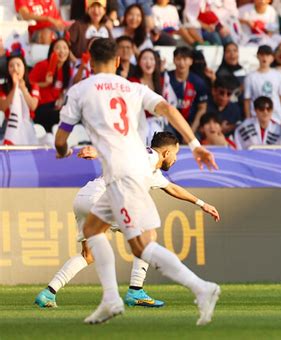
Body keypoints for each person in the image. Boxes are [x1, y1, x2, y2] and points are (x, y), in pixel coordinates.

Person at [54, 38, 220, 325]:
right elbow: (168, 110)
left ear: (89, 62)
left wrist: (64, 151)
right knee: (94, 229)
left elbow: (60, 140)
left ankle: (202, 288)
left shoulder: (80, 90)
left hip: (123, 173)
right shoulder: (134, 88)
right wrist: (195, 144)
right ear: (118, 61)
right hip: (123, 172)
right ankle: (111, 299)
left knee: (142, 246)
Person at [35, 133, 220, 308]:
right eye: (176, 154)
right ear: (167, 152)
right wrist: (97, 152)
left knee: (88, 255)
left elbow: (171, 187)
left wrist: (201, 203)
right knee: (148, 234)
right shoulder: (148, 157)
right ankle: (136, 291)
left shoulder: (152, 170)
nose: (176, 159)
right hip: (103, 198)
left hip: (84, 197)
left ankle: (48, 293)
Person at [29, 38, 72, 133]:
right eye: (58, 48)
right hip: (40, 107)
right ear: (52, 51)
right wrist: (45, 84)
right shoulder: (43, 65)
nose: (62, 51)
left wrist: (60, 100)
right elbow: (28, 84)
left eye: (65, 48)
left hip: (55, 106)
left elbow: (61, 90)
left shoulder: (67, 70)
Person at [0, 53, 40, 145]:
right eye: (11, 66)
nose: (15, 68)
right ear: (8, 70)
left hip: (28, 122)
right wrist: (15, 87)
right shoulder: (2, 88)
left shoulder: (33, 86)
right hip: (9, 123)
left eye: (18, 65)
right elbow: (3, 107)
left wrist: (23, 89)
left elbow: (33, 106)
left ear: (24, 67)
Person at [129, 48, 166, 143]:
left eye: (151, 59)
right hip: (138, 123)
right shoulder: (133, 82)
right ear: (139, 63)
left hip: (159, 123)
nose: (148, 62)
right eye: (144, 58)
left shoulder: (162, 81)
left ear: (156, 63)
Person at [168, 46, 208, 133]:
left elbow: (202, 108)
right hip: (169, 124)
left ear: (191, 61)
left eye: (185, 59)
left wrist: (191, 130)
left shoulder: (199, 82)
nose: (182, 63)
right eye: (178, 59)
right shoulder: (165, 78)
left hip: (191, 124)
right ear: (173, 60)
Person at [244, 45, 281, 123]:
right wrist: (248, 118)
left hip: (276, 117)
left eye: (267, 55)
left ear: (272, 58)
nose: (264, 58)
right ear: (257, 56)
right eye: (262, 55)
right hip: (256, 117)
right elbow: (247, 100)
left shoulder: (277, 75)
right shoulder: (250, 77)